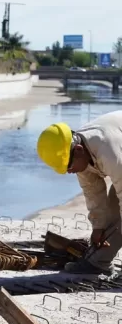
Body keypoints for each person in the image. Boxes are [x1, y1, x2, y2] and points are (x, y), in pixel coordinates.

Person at [38, 113, 122, 274]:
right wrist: (98, 227)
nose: (68, 172)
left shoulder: (107, 150)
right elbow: (93, 192)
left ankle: (98, 263)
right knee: (112, 215)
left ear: (78, 150)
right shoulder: (79, 152)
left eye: (68, 166)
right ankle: (98, 263)